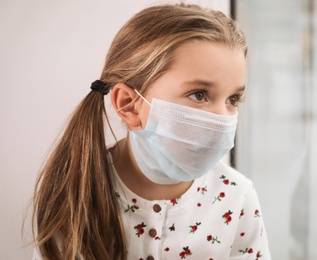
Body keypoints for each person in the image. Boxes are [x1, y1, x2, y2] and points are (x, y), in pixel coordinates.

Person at [31, 3, 271, 260]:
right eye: (199, 95)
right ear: (129, 105)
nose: (223, 119)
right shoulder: (77, 191)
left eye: (233, 99)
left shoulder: (237, 197)